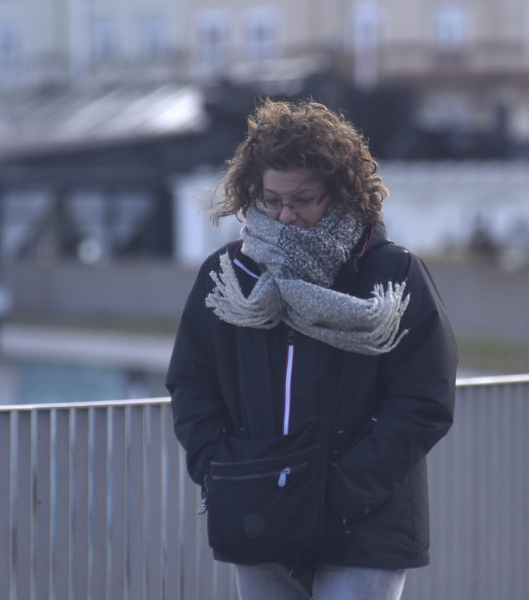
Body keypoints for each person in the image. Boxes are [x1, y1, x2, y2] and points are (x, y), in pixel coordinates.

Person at [166, 99, 457, 600]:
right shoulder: (228, 277)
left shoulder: (392, 275)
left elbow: (423, 398)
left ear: (342, 192)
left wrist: (341, 491)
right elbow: (192, 382)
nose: (286, 216)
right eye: (271, 199)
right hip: (257, 511)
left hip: (363, 523)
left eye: (303, 199)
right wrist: (218, 471)